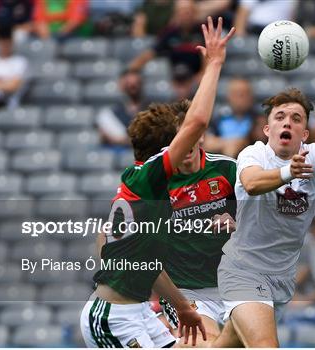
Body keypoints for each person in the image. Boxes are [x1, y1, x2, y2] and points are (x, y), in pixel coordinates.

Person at [80, 16, 235, 348]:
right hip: (113, 318)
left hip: (140, 313)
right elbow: (196, 121)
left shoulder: (145, 186)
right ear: (168, 148)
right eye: (180, 142)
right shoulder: (150, 177)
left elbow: (143, 261)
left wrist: (182, 307)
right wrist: (214, 65)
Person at [212, 90, 315, 347]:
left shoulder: (313, 156)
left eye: (296, 118)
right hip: (244, 270)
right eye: (280, 117)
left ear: (304, 133)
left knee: (227, 345)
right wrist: (287, 172)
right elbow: (251, 183)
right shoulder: (254, 154)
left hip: (282, 276)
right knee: (266, 345)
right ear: (267, 129)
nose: (287, 122)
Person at [129, 0, 202, 80]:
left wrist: (203, 73)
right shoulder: (169, 32)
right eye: (181, 12)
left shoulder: (203, 31)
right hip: (174, 77)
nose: (185, 15)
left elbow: (209, 56)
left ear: (195, 13)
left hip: (198, 76)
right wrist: (131, 70)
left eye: (188, 12)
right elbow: (151, 52)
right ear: (176, 14)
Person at [204, 77, 257, 158]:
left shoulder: (258, 120)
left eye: (243, 94)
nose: (239, 98)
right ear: (228, 96)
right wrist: (228, 144)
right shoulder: (219, 118)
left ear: (251, 97)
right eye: (235, 94)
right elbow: (207, 142)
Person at [96, 69, 147, 148]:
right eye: (129, 84)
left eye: (136, 84)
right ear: (122, 86)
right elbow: (104, 137)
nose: (132, 87)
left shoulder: (151, 112)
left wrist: (121, 140)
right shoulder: (110, 115)